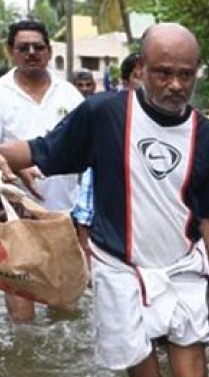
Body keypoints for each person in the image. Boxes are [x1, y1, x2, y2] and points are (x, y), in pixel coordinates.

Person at [0, 23, 209, 377]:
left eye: (186, 74)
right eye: (163, 72)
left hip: (182, 268)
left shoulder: (207, 135)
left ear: (197, 72)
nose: (175, 84)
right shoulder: (103, 115)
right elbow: (43, 149)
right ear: (142, 69)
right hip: (120, 271)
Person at [0, 19, 85, 322]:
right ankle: (23, 359)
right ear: (11, 52)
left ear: (49, 51)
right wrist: (17, 164)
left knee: (64, 299)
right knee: (19, 289)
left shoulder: (69, 94)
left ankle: (59, 366)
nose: (31, 53)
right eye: (23, 47)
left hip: (64, 210)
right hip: (13, 212)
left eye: (38, 47)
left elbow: (84, 146)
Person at [71, 56, 141, 262]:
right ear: (125, 82)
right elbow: (88, 187)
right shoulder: (105, 116)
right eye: (139, 76)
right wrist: (85, 245)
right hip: (111, 241)